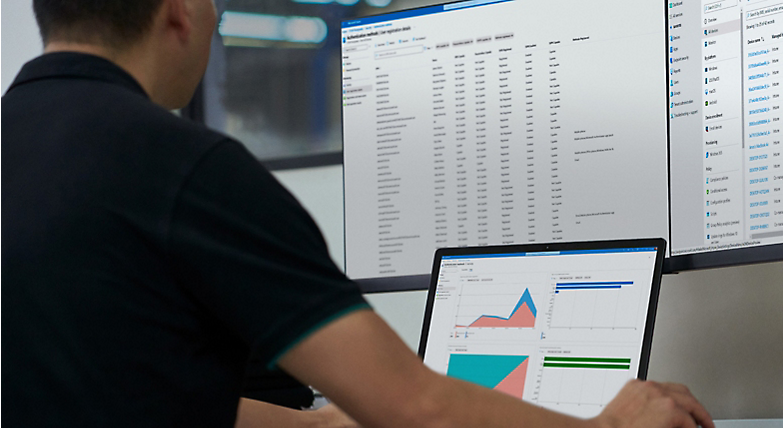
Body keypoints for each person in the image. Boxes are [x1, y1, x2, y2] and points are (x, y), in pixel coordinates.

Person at [1, 0, 715, 427]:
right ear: (179, 13)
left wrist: (326, 422)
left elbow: (115, 397)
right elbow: (415, 409)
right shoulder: (182, 167)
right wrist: (610, 424)